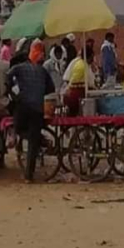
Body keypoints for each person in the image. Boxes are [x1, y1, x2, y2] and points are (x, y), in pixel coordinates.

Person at [5, 42, 54, 182]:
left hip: (23, 107)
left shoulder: (18, 68)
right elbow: (51, 89)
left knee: (19, 128)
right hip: (38, 109)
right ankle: (28, 176)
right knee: (33, 143)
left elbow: (8, 79)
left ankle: (39, 139)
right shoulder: (43, 71)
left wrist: (14, 94)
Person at [63, 49, 95, 116]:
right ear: (89, 57)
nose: (93, 60)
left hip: (72, 95)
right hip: (76, 97)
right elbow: (89, 84)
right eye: (92, 57)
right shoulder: (82, 66)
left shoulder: (80, 63)